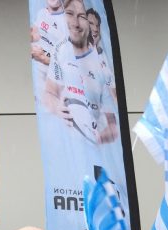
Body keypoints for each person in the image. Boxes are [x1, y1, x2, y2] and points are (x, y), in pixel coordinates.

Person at [42, 0, 117, 145]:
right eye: (69, 14)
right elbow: (49, 93)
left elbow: (113, 122)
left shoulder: (101, 61)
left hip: (96, 149)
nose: (75, 23)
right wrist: (56, 106)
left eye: (81, 16)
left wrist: (104, 136)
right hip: (68, 149)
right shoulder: (61, 50)